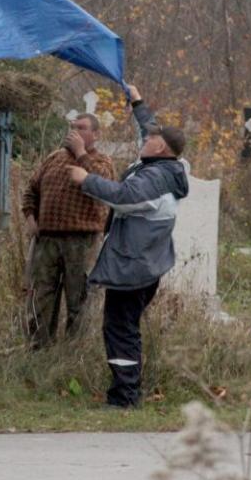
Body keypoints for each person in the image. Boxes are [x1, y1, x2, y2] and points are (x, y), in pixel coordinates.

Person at [67, 85, 188, 409]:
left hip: (134, 269)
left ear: (160, 147)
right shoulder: (165, 166)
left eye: (149, 139)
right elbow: (146, 127)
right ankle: (128, 391)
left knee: (120, 330)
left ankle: (125, 397)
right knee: (122, 328)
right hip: (141, 264)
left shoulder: (153, 180)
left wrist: (85, 179)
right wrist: (137, 102)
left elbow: (122, 197)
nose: (143, 140)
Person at [20, 113, 116, 348]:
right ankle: (38, 350)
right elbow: (31, 189)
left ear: (95, 134)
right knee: (41, 297)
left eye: (81, 128)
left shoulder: (102, 161)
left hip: (82, 240)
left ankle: (73, 354)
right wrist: (31, 216)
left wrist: (81, 153)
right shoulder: (54, 158)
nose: (73, 131)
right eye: (72, 127)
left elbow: (104, 186)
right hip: (47, 239)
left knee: (79, 299)